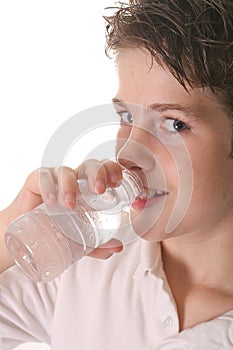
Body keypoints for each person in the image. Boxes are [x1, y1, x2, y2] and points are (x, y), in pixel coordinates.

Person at [0, 0, 233, 348]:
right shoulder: (85, 270)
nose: (127, 154)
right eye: (127, 118)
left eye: (173, 124)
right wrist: (12, 223)